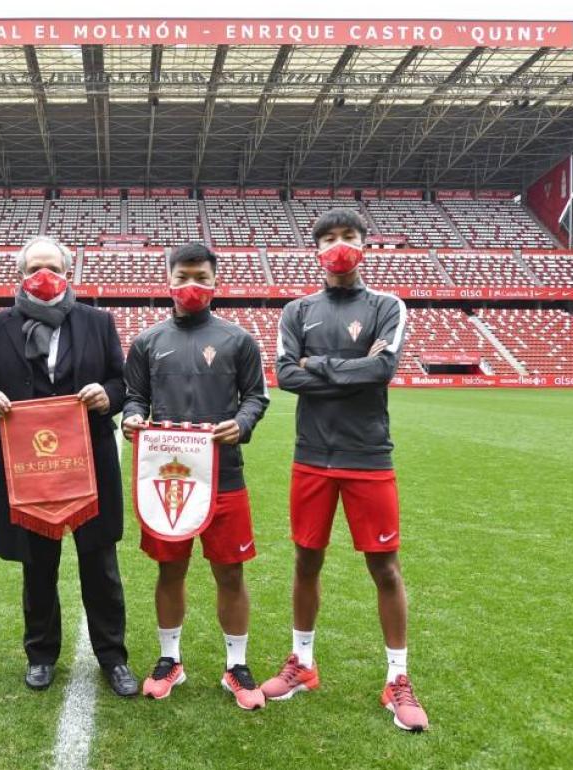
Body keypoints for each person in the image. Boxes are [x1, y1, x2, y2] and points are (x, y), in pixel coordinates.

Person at [262, 207, 428, 732]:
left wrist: (321, 366)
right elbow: (287, 375)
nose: (339, 245)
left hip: (368, 456)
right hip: (312, 454)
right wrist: (346, 370)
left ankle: (398, 678)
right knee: (306, 561)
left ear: (364, 243)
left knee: (385, 567)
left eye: (348, 236)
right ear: (316, 249)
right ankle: (302, 665)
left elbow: (383, 369)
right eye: (329, 238)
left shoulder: (386, 305)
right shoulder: (296, 311)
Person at [0, 236, 137, 697]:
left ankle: (113, 657)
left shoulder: (98, 322)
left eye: (53, 267)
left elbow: (122, 381)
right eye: (35, 268)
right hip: (28, 467)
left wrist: (108, 396)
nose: (44, 276)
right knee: (38, 565)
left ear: (68, 272)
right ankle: (40, 655)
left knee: (99, 562)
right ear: (19, 276)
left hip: (90, 461)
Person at [122, 242, 270, 710]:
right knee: (171, 569)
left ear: (215, 281)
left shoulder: (238, 340)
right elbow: (134, 398)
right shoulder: (147, 341)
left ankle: (236, 665)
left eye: (202, 277)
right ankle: (171, 659)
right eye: (184, 276)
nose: (192, 286)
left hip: (224, 476)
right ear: (168, 280)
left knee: (230, 572)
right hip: (168, 479)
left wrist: (241, 424)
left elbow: (256, 398)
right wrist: (130, 420)